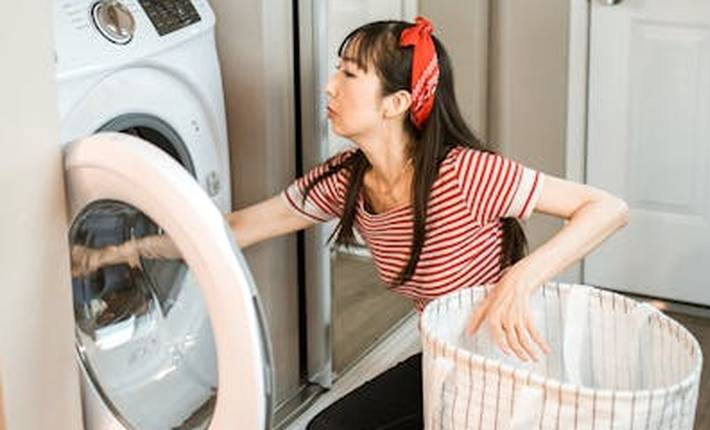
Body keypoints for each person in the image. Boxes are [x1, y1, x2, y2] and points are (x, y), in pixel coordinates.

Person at [72, 17, 628, 430]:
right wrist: (118, 251)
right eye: (337, 69)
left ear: (396, 103)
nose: (329, 86)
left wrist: (519, 279)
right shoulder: (347, 180)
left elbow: (607, 208)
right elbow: (233, 228)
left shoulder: (463, 174)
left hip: (513, 374)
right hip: (448, 362)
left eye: (350, 73)